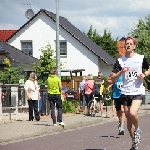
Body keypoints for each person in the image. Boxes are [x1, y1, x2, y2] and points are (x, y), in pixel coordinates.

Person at [107, 37, 150, 150]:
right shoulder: (120, 61)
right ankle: (134, 143)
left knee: (132, 113)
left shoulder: (140, 58)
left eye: (131, 44)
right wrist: (121, 71)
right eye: (127, 44)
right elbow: (112, 78)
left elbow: (149, 69)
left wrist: (144, 74)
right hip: (125, 92)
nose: (129, 45)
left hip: (137, 91)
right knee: (128, 119)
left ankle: (138, 129)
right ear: (124, 46)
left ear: (134, 46)